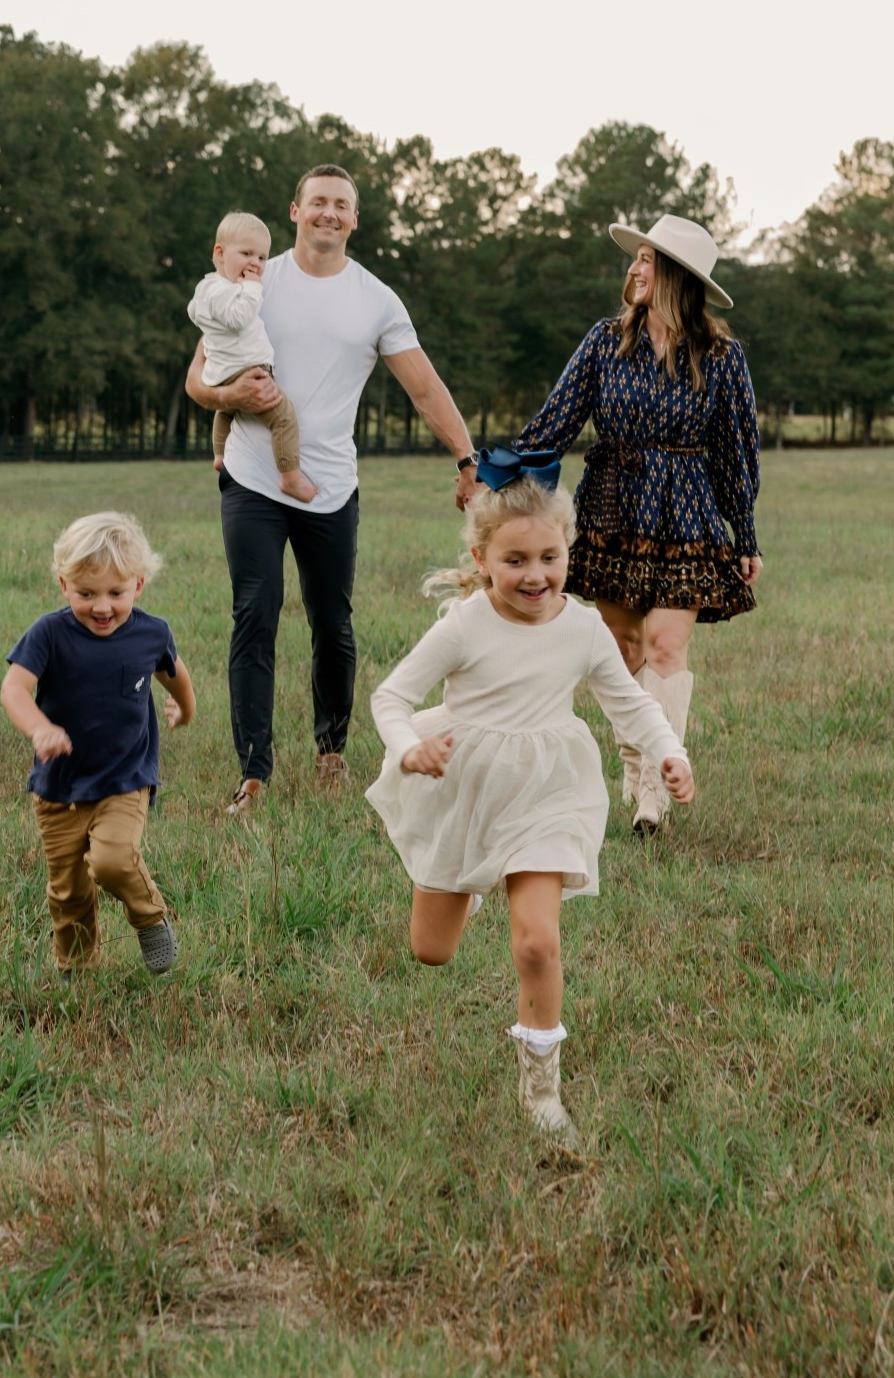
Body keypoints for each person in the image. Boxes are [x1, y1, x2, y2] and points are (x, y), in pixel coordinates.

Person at [365, 458, 694, 1152]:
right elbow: (390, 698)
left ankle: (541, 1091)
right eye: (515, 560)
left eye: (550, 556)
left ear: (568, 550)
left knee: (538, 942)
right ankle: (472, 885)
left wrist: (670, 753)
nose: (536, 575)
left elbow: (629, 704)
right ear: (482, 560)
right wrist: (405, 748)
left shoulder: (579, 628)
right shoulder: (461, 627)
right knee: (430, 951)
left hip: (548, 789)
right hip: (463, 784)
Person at [185, 163, 478, 816]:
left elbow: (423, 386)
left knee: (332, 625)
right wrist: (229, 395)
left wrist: (465, 457)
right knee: (253, 616)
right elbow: (197, 381)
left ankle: (329, 752)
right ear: (295, 211)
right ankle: (253, 773)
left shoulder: (375, 300)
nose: (328, 213)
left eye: (340, 205)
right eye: (317, 202)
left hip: (330, 487)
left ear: (354, 219)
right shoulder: (256, 278)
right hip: (253, 477)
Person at [515, 213, 762, 834]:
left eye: (648, 261)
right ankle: (633, 760)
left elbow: (737, 451)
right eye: (637, 259)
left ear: (677, 276)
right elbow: (554, 423)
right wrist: (495, 477)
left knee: (665, 647)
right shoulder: (605, 341)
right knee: (622, 652)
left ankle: (655, 788)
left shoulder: (722, 357)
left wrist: (744, 535)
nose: (634, 269)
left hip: (687, 513)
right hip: (614, 507)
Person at [0, 511, 196, 979]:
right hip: (58, 789)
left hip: (123, 780)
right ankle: (77, 969)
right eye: (87, 594)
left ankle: (149, 917)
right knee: (67, 890)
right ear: (65, 587)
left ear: (139, 586)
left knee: (111, 860)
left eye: (116, 593)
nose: (102, 606)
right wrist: (39, 728)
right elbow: (13, 689)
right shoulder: (49, 633)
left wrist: (185, 710)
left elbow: (176, 676)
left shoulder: (151, 633)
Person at [187, 210, 317, 505]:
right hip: (246, 369)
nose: (255, 264)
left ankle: (220, 455)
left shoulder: (207, 289)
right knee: (283, 417)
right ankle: (290, 476)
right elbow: (239, 318)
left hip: (223, 370)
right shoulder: (229, 291)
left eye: (261, 257)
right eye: (246, 253)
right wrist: (252, 288)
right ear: (219, 253)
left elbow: (195, 312)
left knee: (228, 410)